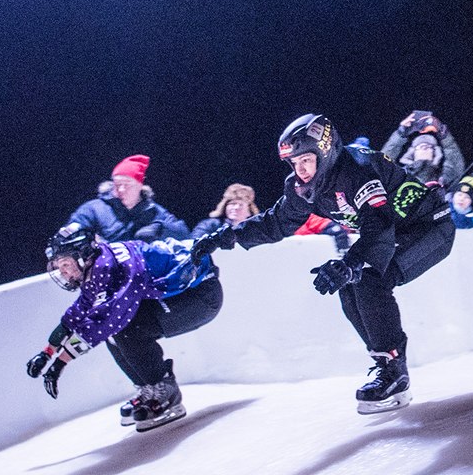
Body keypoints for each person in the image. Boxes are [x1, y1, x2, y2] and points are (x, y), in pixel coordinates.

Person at [191, 114, 455, 414]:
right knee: (351, 286)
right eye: (293, 163)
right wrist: (225, 236)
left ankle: (395, 372)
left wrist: (351, 263)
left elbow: (379, 227)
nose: (300, 170)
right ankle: (388, 365)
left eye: (305, 160)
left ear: (325, 150)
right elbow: (276, 223)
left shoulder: (357, 167)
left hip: (430, 227)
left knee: (367, 280)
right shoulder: (304, 187)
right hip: (397, 231)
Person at [25, 224, 221, 431]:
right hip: (183, 293)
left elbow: (101, 325)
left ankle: (164, 390)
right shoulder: (98, 264)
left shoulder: (114, 268)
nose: (62, 273)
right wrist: (47, 353)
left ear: (81, 255)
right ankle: (149, 388)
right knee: (118, 332)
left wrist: (60, 364)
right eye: (58, 267)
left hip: (201, 296)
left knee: (124, 330)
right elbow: (79, 312)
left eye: (64, 264)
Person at [64, 154, 189, 243]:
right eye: (117, 185)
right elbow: (68, 233)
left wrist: (161, 228)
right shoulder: (93, 209)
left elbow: (184, 235)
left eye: (127, 185)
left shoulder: (155, 211)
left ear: (140, 185)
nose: (121, 190)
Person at [381, 111, 467, 190]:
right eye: (421, 146)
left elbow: (455, 165)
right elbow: (382, 164)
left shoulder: (442, 180)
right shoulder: (400, 176)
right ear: (412, 153)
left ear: (435, 154)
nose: (425, 148)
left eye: (429, 147)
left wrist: (444, 136)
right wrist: (400, 133)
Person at [190, 183, 259, 239]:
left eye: (241, 204)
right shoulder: (209, 225)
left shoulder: (257, 228)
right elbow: (194, 242)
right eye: (232, 204)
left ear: (249, 210)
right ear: (225, 207)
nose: (236, 207)